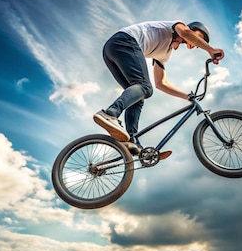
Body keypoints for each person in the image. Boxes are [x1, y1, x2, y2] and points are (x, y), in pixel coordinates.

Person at [93, 21, 225, 157]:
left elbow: (161, 83)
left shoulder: (166, 52)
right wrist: (210, 50)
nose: (198, 43)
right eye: (199, 38)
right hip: (124, 41)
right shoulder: (178, 26)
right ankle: (111, 113)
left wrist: (187, 96)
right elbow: (186, 33)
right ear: (192, 29)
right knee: (145, 87)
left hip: (111, 50)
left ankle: (131, 141)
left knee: (138, 95)